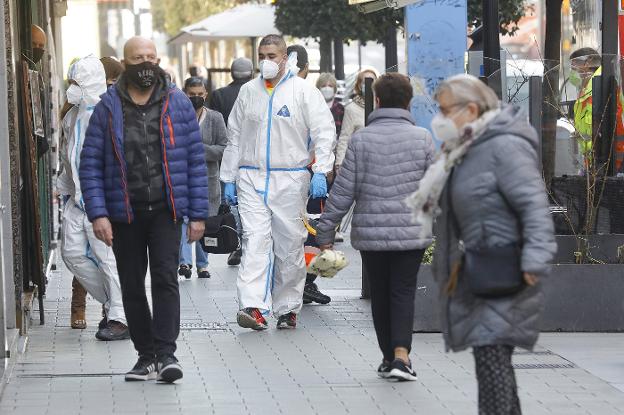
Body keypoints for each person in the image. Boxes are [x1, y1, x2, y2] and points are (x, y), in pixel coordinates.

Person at [408, 74, 556, 413]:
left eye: (445, 110)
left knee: (492, 361)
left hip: (504, 270)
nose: (440, 119)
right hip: (479, 270)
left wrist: (535, 261)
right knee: (491, 361)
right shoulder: (465, 149)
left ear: (471, 109)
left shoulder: (502, 146)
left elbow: (533, 206)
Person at [80, 36, 208, 383]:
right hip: (125, 213)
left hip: (166, 210)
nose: (146, 63)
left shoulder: (178, 103)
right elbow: (90, 163)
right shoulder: (108, 107)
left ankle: (166, 354)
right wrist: (99, 214)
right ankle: (145, 355)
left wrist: (198, 214)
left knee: (166, 279)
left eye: (151, 56)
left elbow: (195, 160)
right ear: (126, 62)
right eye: (138, 58)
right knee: (132, 284)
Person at [316, 73, 434, 381]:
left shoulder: (362, 138)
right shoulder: (422, 138)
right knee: (403, 292)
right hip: (412, 232)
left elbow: (343, 192)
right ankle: (401, 356)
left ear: (377, 101)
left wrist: (325, 232)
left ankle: (388, 357)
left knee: (381, 295)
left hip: (372, 234)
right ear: (408, 102)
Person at [220, 34, 335, 330]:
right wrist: (228, 177)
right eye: (262, 55)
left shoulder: (303, 92)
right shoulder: (248, 92)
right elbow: (234, 137)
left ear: (285, 57)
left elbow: (324, 130)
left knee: (289, 246)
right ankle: (253, 306)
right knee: (254, 242)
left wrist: (321, 170)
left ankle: (287, 308)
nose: (266, 61)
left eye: (272, 55)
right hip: (251, 176)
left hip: (291, 178)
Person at [57, 55, 129, 341]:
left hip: (103, 201)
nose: (71, 88)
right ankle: (117, 305)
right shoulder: (71, 116)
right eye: (70, 82)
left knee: (108, 260)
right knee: (71, 253)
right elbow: (67, 158)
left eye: (76, 82)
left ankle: (121, 317)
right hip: (77, 201)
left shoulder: (109, 114)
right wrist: (63, 188)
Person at [178, 77, 227, 279]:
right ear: (184, 94)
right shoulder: (177, 117)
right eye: (192, 94)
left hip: (208, 179)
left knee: (204, 220)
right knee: (183, 220)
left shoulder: (215, 118)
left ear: (206, 94)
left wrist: (200, 150)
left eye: (200, 94)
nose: (196, 98)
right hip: (182, 178)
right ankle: (185, 262)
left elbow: (224, 147)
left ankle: (203, 264)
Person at [210, 57, 254, 266]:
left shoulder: (219, 95)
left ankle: (236, 244)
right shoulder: (257, 93)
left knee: (233, 205)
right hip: (253, 158)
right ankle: (248, 245)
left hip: (228, 156)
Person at [569, 47, 624, 171]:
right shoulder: (587, 89)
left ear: (588, 62)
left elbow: (602, 128)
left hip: (611, 161)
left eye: (574, 65)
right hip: (596, 160)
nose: (572, 70)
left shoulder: (601, 85)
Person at [334, 68, 378, 171]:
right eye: (365, 81)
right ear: (359, 85)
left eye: (373, 81)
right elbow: (344, 138)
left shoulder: (381, 105)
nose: (369, 85)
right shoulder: (351, 108)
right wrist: (339, 164)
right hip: (359, 163)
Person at [317, 73, 344, 138]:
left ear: (334, 89)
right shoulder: (312, 108)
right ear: (318, 88)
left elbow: (343, 132)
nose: (327, 88)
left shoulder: (340, 109)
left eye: (330, 86)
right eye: (323, 86)